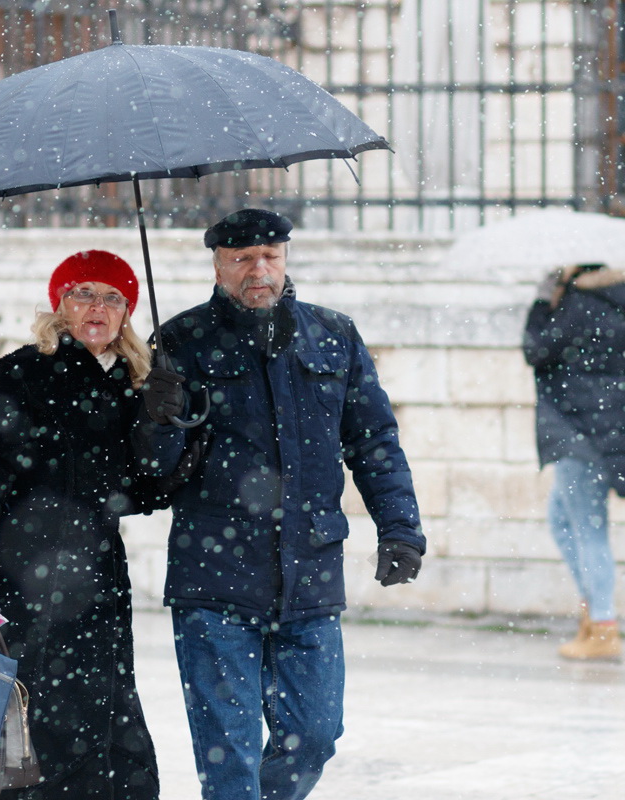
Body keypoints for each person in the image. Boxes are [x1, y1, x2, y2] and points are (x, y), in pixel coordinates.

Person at [134, 208, 426, 800]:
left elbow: (373, 441)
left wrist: (400, 528)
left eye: (270, 256)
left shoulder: (333, 336)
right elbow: (150, 478)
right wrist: (156, 417)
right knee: (228, 755)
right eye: (242, 260)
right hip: (213, 577)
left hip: (310, 568)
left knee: (315, 734)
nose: (257, 270)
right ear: (218, 267)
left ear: (287, 258)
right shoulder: (180, 342)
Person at [0, 250, 163, 799]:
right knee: (17, 735)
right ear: (59, 304)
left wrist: (168, 425)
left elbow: (146, 492)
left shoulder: (133, 388)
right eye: (83, 292)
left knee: (105, 741)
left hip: (98, 589)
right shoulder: (13, 377)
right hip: (17, 583)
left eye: (113, 298)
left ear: (127, 313)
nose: (98, 307)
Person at [522, 262, 625, 661]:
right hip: (607, 429)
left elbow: (536, 350)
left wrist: (542, 303)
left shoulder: (582, 304)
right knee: (565, 521)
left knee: (588, 530)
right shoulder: (623, 302)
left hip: (580, 429)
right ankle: (595, 614)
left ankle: (603, 626)